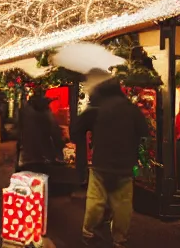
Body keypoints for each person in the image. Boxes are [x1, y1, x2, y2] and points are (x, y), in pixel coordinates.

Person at [71, 77, 149, 247]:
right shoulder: (131, 109)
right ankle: (119, 238)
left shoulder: (96, 108)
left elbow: (76, 129)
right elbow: (144, 131)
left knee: (96, 200)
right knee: (123, 204)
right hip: (125, 165)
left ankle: (89, 232)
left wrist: (83, 146)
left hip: (101, 163)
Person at [17, 87, 65, 175]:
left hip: (26, 154)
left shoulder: (25, 112)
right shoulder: (47, 114)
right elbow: (55, 134)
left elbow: (18, 130)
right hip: (44, 155)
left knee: (27, 181)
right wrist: (59, 152)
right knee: (41, 181)